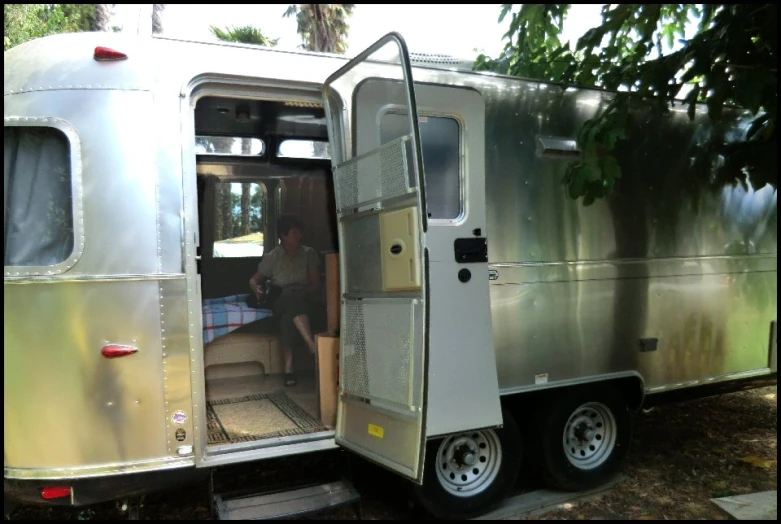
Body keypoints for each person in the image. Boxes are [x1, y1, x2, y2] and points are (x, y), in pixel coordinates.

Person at [249, 215, 320, 387]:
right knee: (288, 299)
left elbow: (316, 283)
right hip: (280, 297)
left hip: (303, 297)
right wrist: (255, 289)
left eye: (300, 232)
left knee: (287, 320)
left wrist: (304, 293)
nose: (299, 236)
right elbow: (253, 280)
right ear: (284, 235)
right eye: (295, 232)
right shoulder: (272, 256)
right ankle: (312, 347)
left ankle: (289, 369)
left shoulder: (309, 254)